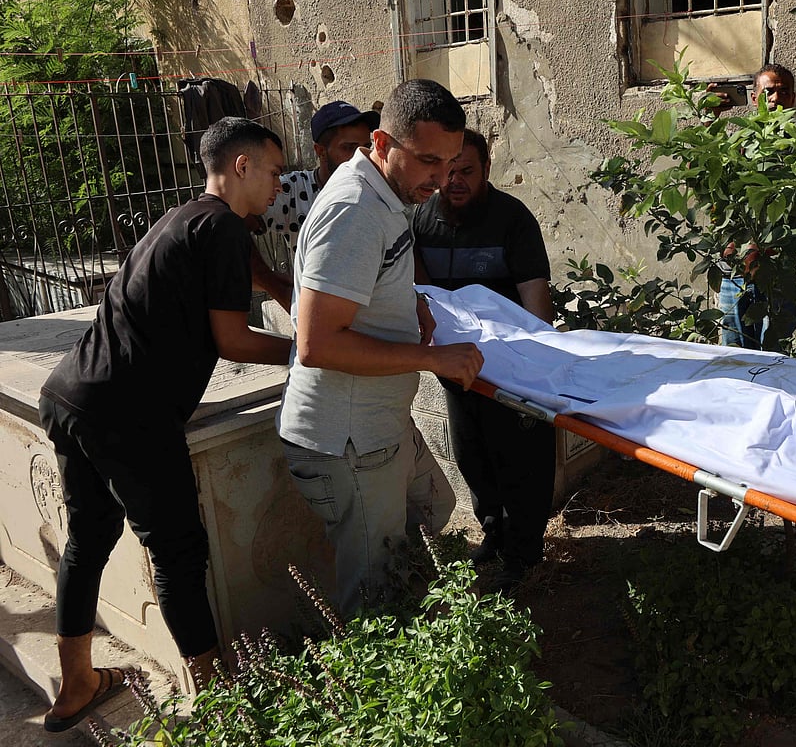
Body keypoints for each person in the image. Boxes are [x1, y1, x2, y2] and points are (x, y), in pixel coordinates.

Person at [38, 117, 294, 731]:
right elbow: (231, 341)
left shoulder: (188, 218)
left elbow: (248, 265)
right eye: (275, 170)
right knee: (180, 553)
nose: (281, 185)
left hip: (71, 396)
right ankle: (221, 703)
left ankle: (76, 684)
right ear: (241, 166)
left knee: (88, 540)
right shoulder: (222, 231)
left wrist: (284, 290)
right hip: (128, 417)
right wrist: (307, 350)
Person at [277, 79, 484, 616]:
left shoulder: (381, 192)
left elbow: (364, 276)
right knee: (371, 602)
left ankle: (422, 635)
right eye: (429, 162)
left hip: (377, 426)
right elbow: (316, 343)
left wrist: (405, 298)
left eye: (451, 163)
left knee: (435, 509)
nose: (441, 181)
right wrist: (431, 358)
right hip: (349, 441)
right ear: (383, 144)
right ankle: (374, 686)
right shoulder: (354, 211)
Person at [413, 128, 556, 592]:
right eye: (447, 170)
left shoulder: (513, 221)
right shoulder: (422, 221)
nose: (454, 180)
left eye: (466, 171)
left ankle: (526, 553)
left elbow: (536, 301)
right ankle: (493, 534)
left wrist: (535, 369)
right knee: (472, 457)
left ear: (487, 170)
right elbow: (417, 292)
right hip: (457, 372)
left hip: (511, 371)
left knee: (521, 464)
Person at [714, 64, 796, 350]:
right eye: (768, 91)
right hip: (738, 268)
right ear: (754, 99)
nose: (775, 98)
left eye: (783, 91)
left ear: (793, 98)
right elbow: (709, 179)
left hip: (783, 270)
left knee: (778, 354)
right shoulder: (739, 143)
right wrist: (707, 120)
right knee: (737, 355)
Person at [252, 100, 380, 267]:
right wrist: (272, 283)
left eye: (366, 147)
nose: (362, 156)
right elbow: (237, 221)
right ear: (321, 151)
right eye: (349, 147)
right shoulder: (293, 189)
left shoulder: (376, 189)